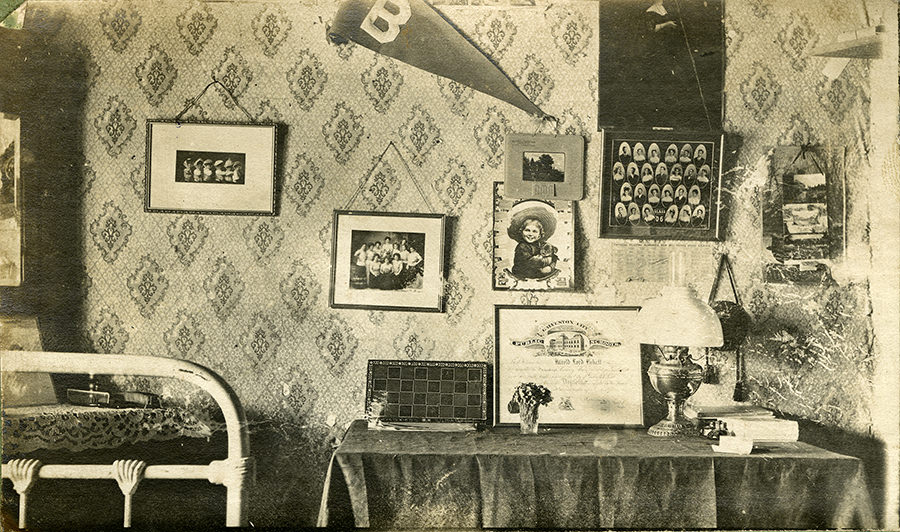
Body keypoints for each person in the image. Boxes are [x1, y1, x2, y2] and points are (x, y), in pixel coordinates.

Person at [507, 200, 559, 280]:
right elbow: (531, 262)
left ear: (539, 235)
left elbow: (554, 257)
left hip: (540, 275)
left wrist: (550, 268)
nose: (530, 234)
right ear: (522, 232)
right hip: (523, 275)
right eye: (527, 230)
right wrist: (546, 260)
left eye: (534, 231)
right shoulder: (522, 246)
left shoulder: (543, 245)